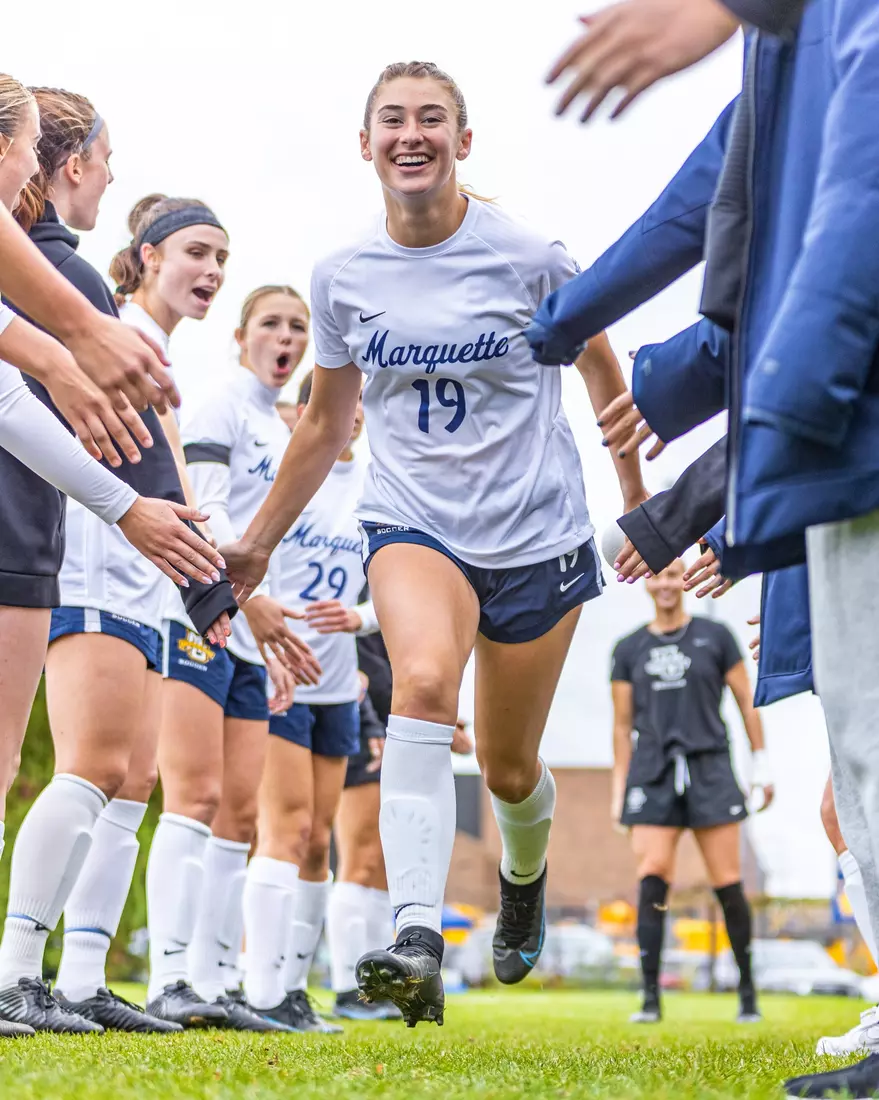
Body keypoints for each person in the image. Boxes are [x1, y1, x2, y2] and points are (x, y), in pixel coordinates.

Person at [221, 59, 647, 1027]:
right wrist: (254, 545)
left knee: (507, 768)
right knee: (418, 683)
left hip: (537, 531)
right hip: (414, 520)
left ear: (463, 139)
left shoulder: (530, 257)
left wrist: (639, 504)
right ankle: (415, 936)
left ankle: (522, 877)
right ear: (364, 143)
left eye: (430, 119)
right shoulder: (343, 276)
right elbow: (325, 425)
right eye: (392, 120)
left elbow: (602, 373)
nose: (410, 135)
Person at [0, 123, 233, 1033]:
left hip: (135, 574)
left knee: (130, 777)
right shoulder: (90, 306)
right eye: (196, 252)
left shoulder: (110, 321)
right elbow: (119, 455)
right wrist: (209, 584)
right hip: (94, 564)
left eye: (221, 257)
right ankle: (20, 969)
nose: (210, 270)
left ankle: (81, 976)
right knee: (91, 767)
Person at [145, 285, 319, 1031]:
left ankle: (215, 985)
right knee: (193, 797)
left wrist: (270, 631)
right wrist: (252, 603)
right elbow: (206, 511)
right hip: (201, 616)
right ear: (242, 335)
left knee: (239, 813)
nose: (286, 337)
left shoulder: (281, 428)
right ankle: (167, 978)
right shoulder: (221, 404)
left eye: (298, 327)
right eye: (271, 323)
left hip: (250, 637)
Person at [242, 371, 365, 1033]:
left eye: (363, 401)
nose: (354, 412)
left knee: (319, 841)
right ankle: (260, 990)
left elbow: (398, 586)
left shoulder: (375, 487)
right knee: (283, 831)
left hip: (339, 687)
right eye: (342, 399)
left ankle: (292, 990)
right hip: (282, 677)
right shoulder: (284, 478)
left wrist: (362, 618)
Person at [610, 559, 771, 1024]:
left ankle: (747, 994)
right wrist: (620, 788)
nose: (665, 583)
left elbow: (746, 701)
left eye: (672, 574)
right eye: (656, 575)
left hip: (710, 766)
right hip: (653, 771)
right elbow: (621, 727)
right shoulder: (628, 649)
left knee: (728, 881)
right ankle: (650, 998)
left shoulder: (715, 637)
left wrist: (761, 764)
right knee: (653, 875)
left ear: (684, 579)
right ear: (645, 583)